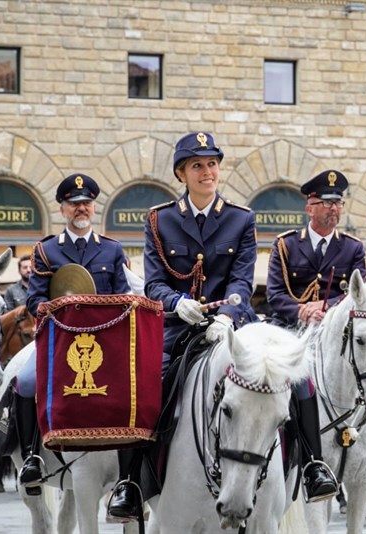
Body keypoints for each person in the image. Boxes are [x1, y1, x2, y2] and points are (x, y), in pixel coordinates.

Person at [107, 131, 260, 521]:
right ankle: (131, 481)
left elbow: (242, 280)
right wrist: (179, 303)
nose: (207, 172)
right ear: (182, 174)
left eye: (212, 164)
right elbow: (155, 282)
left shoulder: (241, 219)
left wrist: (226, 317)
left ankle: (307, 466)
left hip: (231, 327)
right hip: (178, 329)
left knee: (286, 381)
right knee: (142, 392)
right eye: (197, 166)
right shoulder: (160, 219)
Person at [15, 174, 130, 496]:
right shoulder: (46, 250)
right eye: (74, 204)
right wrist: (52, 306)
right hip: (59, 339)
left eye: (86, 203)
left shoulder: (112, 250)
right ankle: (32, 456)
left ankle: (131, 473)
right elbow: (34, 299)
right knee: (24, 383)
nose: (81, 208)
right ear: (63, 209)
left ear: (93, 207)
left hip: (105, 342)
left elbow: (122, 297)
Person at [266, 169, 366, 502]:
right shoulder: (285, 245)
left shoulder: (352, 248)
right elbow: (275, 295)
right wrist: (302, 310)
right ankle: (301, 455)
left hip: (333, 332)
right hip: (292, 333)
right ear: (309, 207)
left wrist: (331, 310)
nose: (334, 209)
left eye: (338, 202)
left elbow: (358, 293)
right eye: (326, 203)